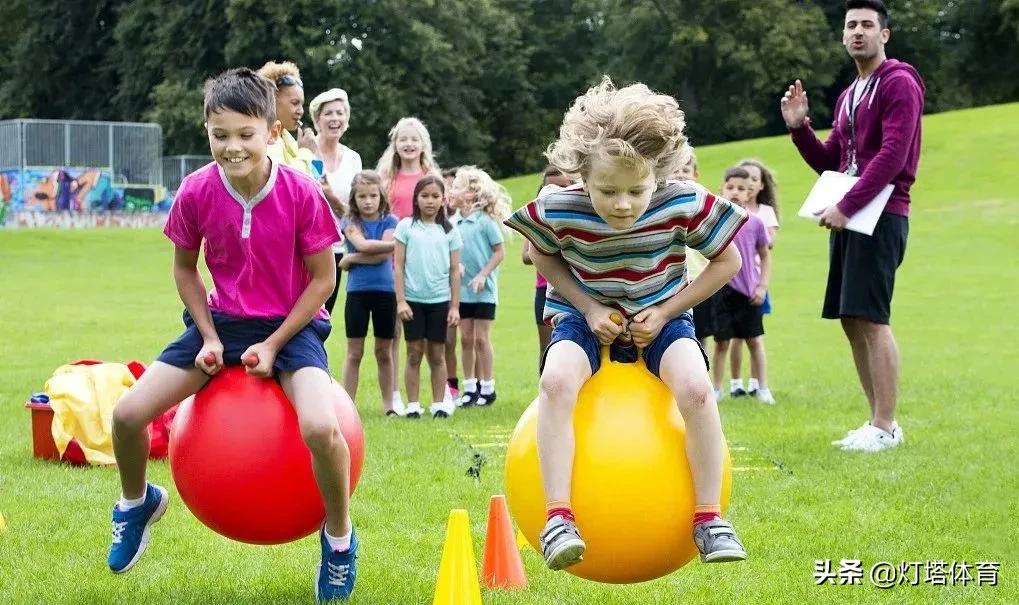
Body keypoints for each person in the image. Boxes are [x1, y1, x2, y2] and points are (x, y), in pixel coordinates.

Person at [106, 68, 357, 601]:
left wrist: (273, 343)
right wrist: (208, 336)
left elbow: (323, 280)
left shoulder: (300, 192)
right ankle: (136, 503)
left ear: (271, 131)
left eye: (246, 134)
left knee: (320, 428)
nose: (233, 146)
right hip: (220, 325)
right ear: (207, 130)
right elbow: (184, 269)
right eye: (221, 135)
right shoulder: (197, 190)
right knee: (127, 416)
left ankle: (338, 539)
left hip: (292, 326)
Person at [505, 77, 750, 570]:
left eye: (636, 190)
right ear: (582, 176)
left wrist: (666, 310)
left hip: (663, 317)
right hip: (581, 316)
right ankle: (557, 517)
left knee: (698, 389)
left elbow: (729, 263)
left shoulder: (681, 201)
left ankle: (709, 518)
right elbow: (540, 254)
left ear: (658, 174)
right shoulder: (560, 206)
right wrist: (589, 308)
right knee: (554, 381)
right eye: (607, 190)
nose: (622, 204)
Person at [781, 0, 923, 451]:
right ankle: (874, 423)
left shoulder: (898, 81)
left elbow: (893, 154)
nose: (857, 31)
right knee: (850, 317)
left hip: (882, 213)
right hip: (852, 213)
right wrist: (801, 128)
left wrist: (846, 204)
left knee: (873, 318)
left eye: (867, 25)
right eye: (850, 25)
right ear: (843, 36)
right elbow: (833, 161)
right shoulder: (848, 95)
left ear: (885, 34)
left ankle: (886, 426)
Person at [376, 117, 442, 411]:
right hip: (394, 260)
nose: (408, 144)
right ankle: (394, 395)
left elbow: (444, 220)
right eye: (403, 139)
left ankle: (441, 393)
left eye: (414, 139)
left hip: (427, 263)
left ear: (423, 144)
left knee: (434, 337)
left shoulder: (431, 175)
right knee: (394, 331)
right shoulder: (386, 177)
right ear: (395, 144)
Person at [394, 176, 462, 419]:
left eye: (435, 196)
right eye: (425, 196)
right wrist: (401, 301)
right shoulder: (405, 227)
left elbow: (455, 270)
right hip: (412, 300)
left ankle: (438, 403)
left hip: (439, 301)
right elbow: (398, 266)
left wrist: (454, 306)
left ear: (443, 200)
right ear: (416, 199)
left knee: (437, 353)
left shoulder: (450, 231)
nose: (430, 201)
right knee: (413, 353)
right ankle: (412, 404)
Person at [709, 167, 774, 405]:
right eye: (731, 187)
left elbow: (765, 256)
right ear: (721, 189)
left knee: (755, 340)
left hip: (748, 292)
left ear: (750, 193)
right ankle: (716, 388)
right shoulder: (712, 220)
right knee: (721, 343)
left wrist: (762, 287)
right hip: (719, 291)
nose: (735, 192)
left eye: (741, 189)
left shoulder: (756, 223)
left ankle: (763, 388)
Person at [339, 171, 400, 416]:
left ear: (381, 196)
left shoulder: (390, 221)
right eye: (362, 196)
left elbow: (383, 254)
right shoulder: (349, 221)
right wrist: (393, 245)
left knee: (384, 351)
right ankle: (347, 407)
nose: (368, 201)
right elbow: (367, 245)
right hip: (357, 293)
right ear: (354, 198)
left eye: (373, 195)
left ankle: (389, 407)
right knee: (355, 351)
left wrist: (352, 257)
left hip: (386, 292)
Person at [448, 166, 510, 407]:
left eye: (455, 187)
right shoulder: (452, 223)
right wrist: (455, 266)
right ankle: (470, 387)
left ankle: (487, 387)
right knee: (466, 339)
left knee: (482, 339)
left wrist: (483, 275)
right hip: (462, 291)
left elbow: (499, 252)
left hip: (483, 291)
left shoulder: (485, 222)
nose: (450, 191)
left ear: (471, 193)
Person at [727, 159, 780, 398]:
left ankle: (758, 383)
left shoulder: (762, 215)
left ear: (758, 186)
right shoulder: (727, 211)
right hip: (730, 283)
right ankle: (736, 382)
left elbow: (769, 245)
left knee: (754, 335)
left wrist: (761, 284)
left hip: (754, 280)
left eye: (753, 180)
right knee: (734, 338)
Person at [310, 88, 363, 315]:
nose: (335, 119)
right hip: (305, 246)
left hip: (337, 247)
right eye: (328, 113)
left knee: (323, 317)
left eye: (340, 113)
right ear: (317, 119)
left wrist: (332, 197)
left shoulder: (353, 158)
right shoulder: (306, 153)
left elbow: (358, 208)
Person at [521, 167, 575, 373]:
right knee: (547, 347)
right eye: (550, 185)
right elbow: (526, 256)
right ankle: (543, 395)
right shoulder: (537, 216)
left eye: (563, 186)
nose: (556, 190)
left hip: (575, 290)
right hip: (544, 290)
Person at [257, 61, 316, 176]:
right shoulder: (266, 139)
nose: (301, 111)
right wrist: (306, 152)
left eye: (302, 104)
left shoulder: (286, 139)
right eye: (295, 103)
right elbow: (285, 182)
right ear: (271, 100)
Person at [441, 166, 463, 399]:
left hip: (458, 289)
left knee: (456, 339)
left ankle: (456, 384)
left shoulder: (455, 223)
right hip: (435, 288)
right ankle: (447, 386)